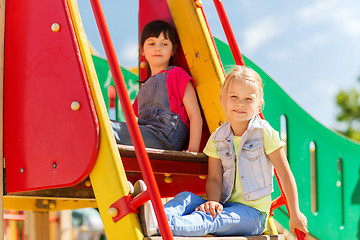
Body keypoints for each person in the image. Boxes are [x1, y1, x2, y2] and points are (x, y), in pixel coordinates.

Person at [136, 65, 308, 237]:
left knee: (210, 219)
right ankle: (157, 216)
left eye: (249, 99)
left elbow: (285, 174)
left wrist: (295, 212)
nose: (240, 103)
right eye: (234, 96)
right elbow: (215, 178)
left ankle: (160, 226)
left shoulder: (264, 133)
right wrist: (212, 202)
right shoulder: (218, 138)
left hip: (252, 215)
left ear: (258, 106)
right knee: (186, 197)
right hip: (226, 205)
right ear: (222, 99)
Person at [111, 20, 202, 152]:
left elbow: (195, 116)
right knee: (101, 126)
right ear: (142, 50)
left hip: (164, 138)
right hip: (145, 135)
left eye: (164, 44)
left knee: (105, 127)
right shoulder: (144, 88)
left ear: (173, 50)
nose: (157, 48)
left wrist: (193, 149)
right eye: (151, 43)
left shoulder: (176, 74)